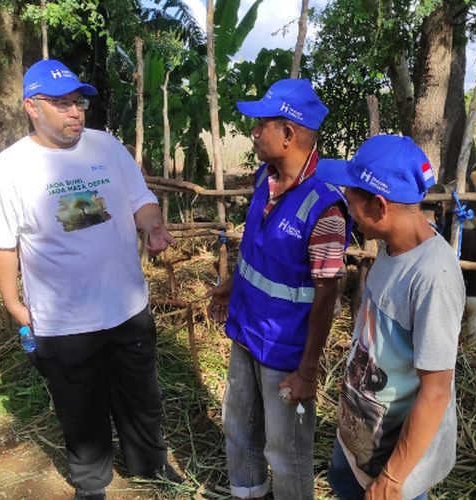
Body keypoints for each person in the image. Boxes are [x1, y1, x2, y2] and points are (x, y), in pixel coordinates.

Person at [0, 59, 179, 500]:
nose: (75, 113)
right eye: (62, 104)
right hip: (64, 318)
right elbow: (1, 244)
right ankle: (92, 483)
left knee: (141, 396)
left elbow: (140, 200)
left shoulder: (106, 148)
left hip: (126, 303)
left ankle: (151, 462)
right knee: (79, 405)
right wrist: (14, 305)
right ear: (32, 107)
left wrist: (152, 225)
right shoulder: (11, 169)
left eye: (78, 102)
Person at [207, 79, 352, 500]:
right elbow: (258, 255)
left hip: (286, 353)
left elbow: (326, 296)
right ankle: (249, 493)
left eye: (261, 124)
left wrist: (308, 372)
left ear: (288, 135)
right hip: (247, 332)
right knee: (239, 426)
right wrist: (231, 287)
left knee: (286, 450)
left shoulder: (324, 209)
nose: (253, 132)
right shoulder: (262, 180)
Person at [315, 135, 465, 500]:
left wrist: (393, 479)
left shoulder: (433, 277)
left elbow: (435, 391)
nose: (348, 213)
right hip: (361, 433)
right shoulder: (390, 247)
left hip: (393, 458)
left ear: (380, 206)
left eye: (351, 204)